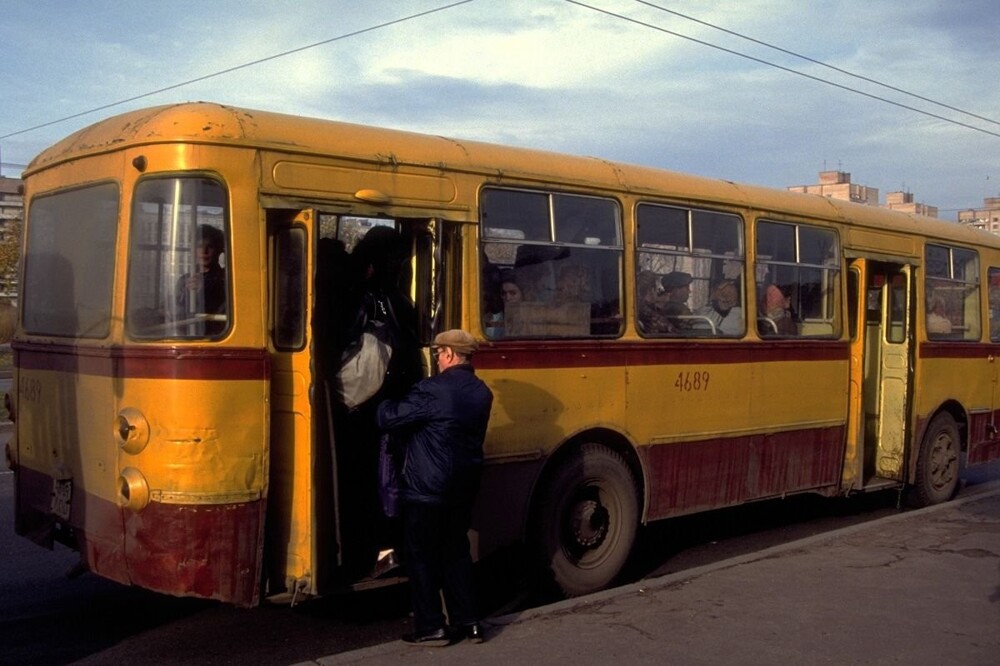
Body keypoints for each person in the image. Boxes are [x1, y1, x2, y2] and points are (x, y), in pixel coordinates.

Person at [376, 329, 494, 647]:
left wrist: (384, 398)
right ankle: (469, 623)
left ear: (451, 355)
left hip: (427, 488)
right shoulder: (482, 392)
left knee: (421, 556)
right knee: (456, 552)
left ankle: (430, 625)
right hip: (463, 486)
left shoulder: (433, 390)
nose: (438, 359)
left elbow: (390, 419)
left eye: (439, 353)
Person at [176, 224, 227, 334]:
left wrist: (204, 292)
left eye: (210, 246)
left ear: (219, 250)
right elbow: (175, 311)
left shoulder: (226, 280)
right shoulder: (184, 280)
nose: (204, 251)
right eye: (199, 246)